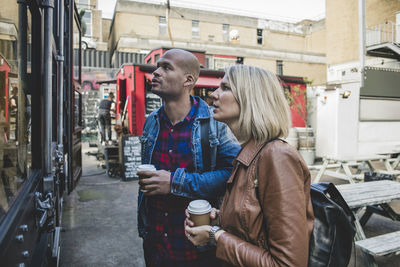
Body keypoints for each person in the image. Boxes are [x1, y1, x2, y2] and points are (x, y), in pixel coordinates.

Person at [185, 65, 314, 267]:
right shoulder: (248, 154)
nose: (214, 95)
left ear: (251, 98)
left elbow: (288, 264)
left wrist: (215, 235)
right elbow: (255, 227)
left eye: (225, 87)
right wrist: (217, 220)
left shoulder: (276, 157)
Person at [135, 49, 240, 267]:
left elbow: (233, 173)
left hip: (197, 247)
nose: (155, 72)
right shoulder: (151, 122)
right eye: (157, 67)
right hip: (154, 244)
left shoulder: (215, 123)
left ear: (188, 80)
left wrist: (175, 182)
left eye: (166, 67)